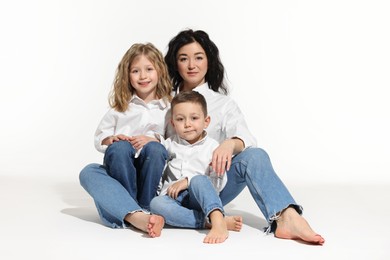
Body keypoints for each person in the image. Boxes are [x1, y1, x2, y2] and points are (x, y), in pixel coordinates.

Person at [162, 29, 325, 245]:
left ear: (209, 61)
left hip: (210, 187)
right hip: (173, 192)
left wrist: (230, 143)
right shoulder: (164, 102)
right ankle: (212, 221)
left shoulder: (223, 104)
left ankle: (287, 217)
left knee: (255, 156)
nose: (192, 65)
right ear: (175, 63)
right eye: (184, 58)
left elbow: (247, 138)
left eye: (199, 57)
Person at [79, 43, 172, 238]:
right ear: (127, 76)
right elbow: (99, 138)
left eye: (149, 70)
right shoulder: (120, 108)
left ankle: (143, 208)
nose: (143, 76)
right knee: (106, 158)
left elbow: (175, 143)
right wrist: (111, 139)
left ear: (160, 72)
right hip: (122, 171)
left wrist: (154, 139)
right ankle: (132, 208)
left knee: (155, 149)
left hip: (151, 175)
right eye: (136, 71)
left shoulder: (169, 108)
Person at [150, 91, 243, 244]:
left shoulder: (213, 147)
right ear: (173, 123)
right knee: (156, 204)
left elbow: (217, 184)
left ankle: (217, 217)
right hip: (174, 199)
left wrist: (188, 181)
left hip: (199, 198)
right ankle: (208, 222)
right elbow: (158, 169)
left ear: (206, 121)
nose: (187, 124)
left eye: (194, 118)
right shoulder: (169, 145)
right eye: (180, 119)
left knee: (199, 180)